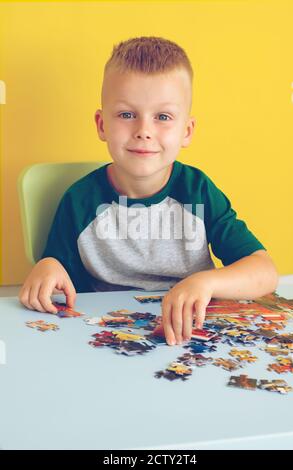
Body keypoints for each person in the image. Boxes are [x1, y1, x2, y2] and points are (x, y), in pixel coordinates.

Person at [19, 36, 279, 345]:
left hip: (189, 334)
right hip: (105, 337)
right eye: (127, 114)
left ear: (186, 131)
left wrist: (204, 283)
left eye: (163, 117)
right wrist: (47, 267)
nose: (143, 130)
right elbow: (57, 268)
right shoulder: (80, 200)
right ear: (102, 125)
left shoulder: (198, 191)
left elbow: (265, 271)